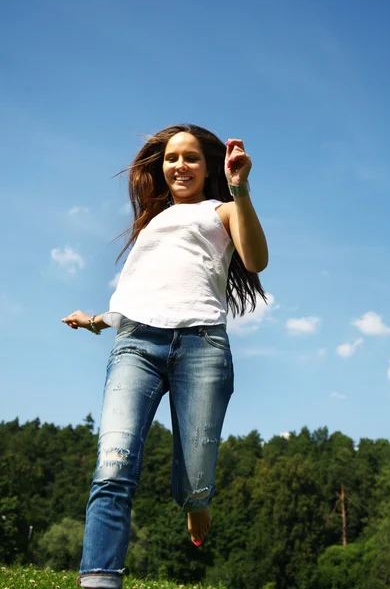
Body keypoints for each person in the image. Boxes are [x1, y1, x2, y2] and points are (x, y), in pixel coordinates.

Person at [62, 123, 269, 589]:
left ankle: (197, 500)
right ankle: (98, 580)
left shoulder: (225, 210)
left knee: (195, 480)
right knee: (113, 466)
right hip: (135, 343)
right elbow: (142, 291)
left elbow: (255, 261)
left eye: (192, 157)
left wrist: (241, 189)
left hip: (202, 347)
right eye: (172, 157)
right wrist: (94, 319)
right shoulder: (151, 222)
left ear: (209, 166)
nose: (180, 165)